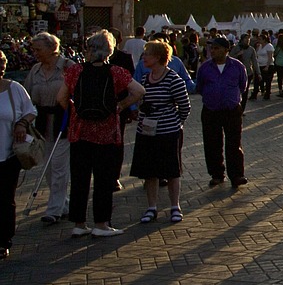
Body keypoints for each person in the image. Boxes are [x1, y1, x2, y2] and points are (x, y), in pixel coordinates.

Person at [57, 30, 145, 238]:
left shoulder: (75, 71)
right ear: (109, 51)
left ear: (89, 49)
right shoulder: (116, 72)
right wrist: (121, 106)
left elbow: (60, 97)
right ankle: (101, 223)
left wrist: (74, 111)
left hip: (79, 132)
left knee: (80, 179)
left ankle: (79, 223)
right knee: (104, 180)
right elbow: (140, 91)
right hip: (107, 133)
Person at [132, 40, 192, 224]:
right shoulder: (145, 79)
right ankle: (151, 207)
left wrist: (176, 122)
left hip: (168, 130)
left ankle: (175, 206)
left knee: (172, 170)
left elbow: (185, 106)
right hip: (147, 130)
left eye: (147, 54)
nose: (144, 58)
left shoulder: (173, 79)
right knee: (150, 171)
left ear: (157, 57)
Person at [26, 33, 72, 225]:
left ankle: (53, 209)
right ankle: (63, 203)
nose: (35, 53)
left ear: (52, 48)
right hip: (43, 124)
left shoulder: (68, 66)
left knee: (60, 167)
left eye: (38, 49)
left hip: (63, 122)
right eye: (33, 49)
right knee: (49, 169)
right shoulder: (35, 70)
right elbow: (27, 97)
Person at [195, 36, 249, 188]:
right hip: (211, 110)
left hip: (231, 110)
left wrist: (230, 97)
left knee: (234, 143)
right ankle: (217, 174)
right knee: (212, 143)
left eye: (216, 48)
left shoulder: (237, 66)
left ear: (226, 50)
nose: (213, 51)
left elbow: (242, 86)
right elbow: (199, 87)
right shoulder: (205, 68)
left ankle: (236, 175)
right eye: (211, 48)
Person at [1, 51, 38, 258]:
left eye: (1, 64)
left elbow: (31, 110)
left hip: (8, 154)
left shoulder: (14, 89)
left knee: (5, 198)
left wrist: (23, 123)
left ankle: (4, 239)